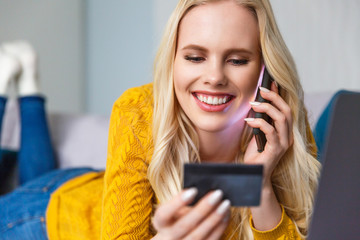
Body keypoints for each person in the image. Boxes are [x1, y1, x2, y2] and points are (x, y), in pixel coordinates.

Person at [0, 0, 321, 239]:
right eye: (195, 57)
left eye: (237, 60)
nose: (214, 77)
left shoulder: (282, 125)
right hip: (44, 219)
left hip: (97, 184)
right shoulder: (139, 109)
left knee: (29, 173)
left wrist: (260, 186)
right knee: (25, 183)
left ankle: (27, 81)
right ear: (173, 60)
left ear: (265, 71)